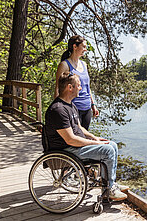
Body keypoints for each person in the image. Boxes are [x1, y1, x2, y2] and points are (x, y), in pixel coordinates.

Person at [46, 72, 128, 201]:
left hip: (74, 147)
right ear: (69, 87)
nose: (81, 88)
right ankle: (109, 188)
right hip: (66, 150)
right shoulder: (58, 109)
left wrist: (94, 138)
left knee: (112, 144)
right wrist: (95, 144)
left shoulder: (71, 105)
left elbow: (79, 128)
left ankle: (110, 184)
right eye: (78, 85)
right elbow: (70, 139)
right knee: (107, 150)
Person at [54, 35, 98, 130]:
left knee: (84, 136)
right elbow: (58, 89)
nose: (86, 49)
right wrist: (58, 110)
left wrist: (93, 105)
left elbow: (87, 87)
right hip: (72, 108)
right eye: (84, 46)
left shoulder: (84, 64)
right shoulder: (64, 65)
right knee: (75, 137)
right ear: (75, 47)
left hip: (87, 108)